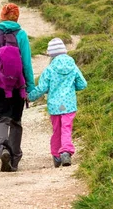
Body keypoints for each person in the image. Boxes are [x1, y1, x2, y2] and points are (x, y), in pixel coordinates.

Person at [0, 3, 35, 172]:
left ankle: (2, 149)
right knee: (15, 121)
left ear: (2, 16)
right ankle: (15, 158)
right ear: (17, 17)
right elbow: (26, 64)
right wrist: (29, 87)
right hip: (18, 85)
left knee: (1, 118)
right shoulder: (22, 34)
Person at [27, 37, 87, 167]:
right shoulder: (73, 66)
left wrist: (30, 96)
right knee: (66, 128)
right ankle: (66, 151)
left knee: (57, 130)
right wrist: (72, 88)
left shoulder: (49, 70)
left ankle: (56, 155)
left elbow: (42, 88)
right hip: (69, 104)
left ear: (50, 55)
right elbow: (82, 84)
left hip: (54, 106)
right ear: (64, 51)